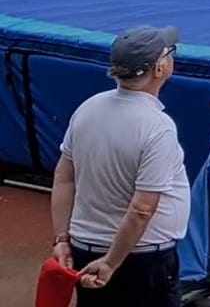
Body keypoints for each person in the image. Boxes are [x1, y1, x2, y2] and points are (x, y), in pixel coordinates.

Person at [50, 26, 189, 306]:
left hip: (84, 249)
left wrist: (61, 240)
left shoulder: (89, 107)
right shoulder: (158, 128)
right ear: (160, 68)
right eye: (170, 54)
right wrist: (111, 263)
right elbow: (141, 208)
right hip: (141, 259)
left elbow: (64, 177)